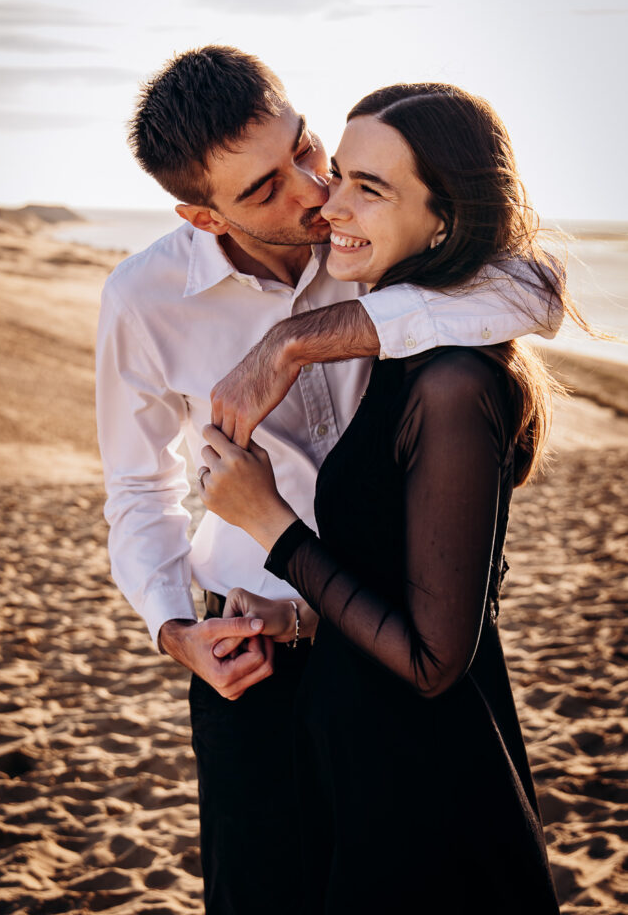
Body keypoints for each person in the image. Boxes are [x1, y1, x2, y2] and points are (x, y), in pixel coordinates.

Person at [96, 49, 561, 915]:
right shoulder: (142, 299)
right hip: (255, 655)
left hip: (399, 641)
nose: (311, 190)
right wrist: (173, 634)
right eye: (265, 188)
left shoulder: (367, 250)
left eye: (305, 149)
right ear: (202, 215)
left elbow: (532, 291)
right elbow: (136, 488)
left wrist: (296, 340)